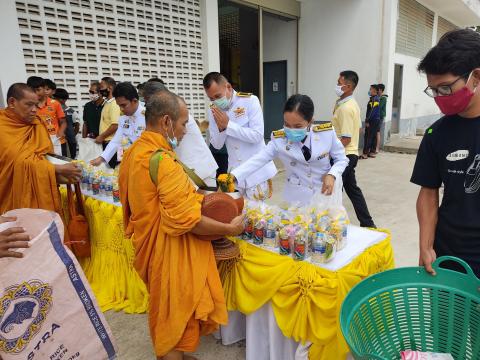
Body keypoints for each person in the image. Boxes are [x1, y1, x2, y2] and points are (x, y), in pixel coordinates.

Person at [119, 91, 244, 359]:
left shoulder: (133, 153)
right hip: (169, 253)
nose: (187, 129)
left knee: (169, 313)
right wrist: (229, 229)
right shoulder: (163, 162)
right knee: (174, 319)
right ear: (166, 122)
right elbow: (189, 221)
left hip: (150, 248)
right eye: (184, 123)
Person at [411, 28, 480, 277]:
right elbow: (429, 191)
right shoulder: (436, 134)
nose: (439, 97)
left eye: (446, 88)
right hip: (448, 253)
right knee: (447, 316)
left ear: (476, 77)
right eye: (434, 90)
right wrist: (427, 245)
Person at [231, 94, 348, 205]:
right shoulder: (279, 139)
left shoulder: (326, 133)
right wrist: (234, 176)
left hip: (325, 192)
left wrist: (332, 175)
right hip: (297, 198)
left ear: (310, 121)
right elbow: (259, 159)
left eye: (298, 126)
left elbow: (341, 159)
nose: (291, 130)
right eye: (287, 124)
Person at [0, 83, 81, 215]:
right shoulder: (2, 126)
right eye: (28, 104)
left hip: (41, 193)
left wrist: (59, 171)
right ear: (12, 102)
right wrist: (57, 169)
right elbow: (15, 163)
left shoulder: (37, 124)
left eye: (36, 105)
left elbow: (45, 156)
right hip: (12, 200)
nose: (34, 110)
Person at [204, 72, 277, 199]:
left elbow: (257, 135)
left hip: (256, 174)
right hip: (235, 175)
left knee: (258, 216)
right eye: (211, 99)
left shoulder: (250, 101)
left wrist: (228, 125)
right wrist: (221, 128)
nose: (215, 101)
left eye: (218, 96)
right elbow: (216, 144)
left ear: (228, 87)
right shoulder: (214, 110)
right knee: (238, 214)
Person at [143, 80, 218, 186]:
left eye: (147, 102)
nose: (148, 106)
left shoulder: (175, 113)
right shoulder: (168, 112)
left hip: (198, 170)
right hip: (192, 168)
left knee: (206, 201)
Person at [333, 71, 376, 228]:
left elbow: (346, 139)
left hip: (344, 156)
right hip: (350, 154)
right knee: (352, 190)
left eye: (339, 83)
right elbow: (358, 129)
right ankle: (368, 224)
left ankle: (333, 225)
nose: (336, 85)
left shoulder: (346, 108)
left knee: (332, 190)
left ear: (348, 86)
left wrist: (327, 150)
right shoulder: (348, 104)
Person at [90, 82, 144, 167]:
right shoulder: (123, 118)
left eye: (123, 105)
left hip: (145, 163)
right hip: (129, 162)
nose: (121, 109)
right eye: (119, 106)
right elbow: (116, 140)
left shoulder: (149, 116)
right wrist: (101, 158)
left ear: (134, 101)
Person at [27, 76, 67, 156]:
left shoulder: (55, 103)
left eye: (38, 90)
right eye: (33, 91)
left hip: (56, 140)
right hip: (39, 141)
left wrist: (61, 132)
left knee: (61, 165)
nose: (36, 93)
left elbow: (63, 122)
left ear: (44, 89)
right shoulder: (29, 105)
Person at [96, 76, 121, 168]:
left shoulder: (114, 104)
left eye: (101, 87)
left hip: (112, 143)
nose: (100, 90)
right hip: (108, 142)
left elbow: (115, 125)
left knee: (114, 169)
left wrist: (101, 136)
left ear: (109, 88)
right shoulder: (107, 103)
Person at [54, 88, 80, 159]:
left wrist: (72, 135)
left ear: (63, 99)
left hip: (70, 140)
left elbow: (77, 125)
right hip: (58, 140)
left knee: (72, 158)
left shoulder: (71, 112)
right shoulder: (53, 111)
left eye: (55, 98)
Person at [361, 84, 381, 159]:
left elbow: (372, 111)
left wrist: (367, 121)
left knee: (368, 136)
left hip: (372, 121)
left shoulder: (374, 99)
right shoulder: (376, 98)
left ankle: (365, 153)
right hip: (376, 120)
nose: (369, 91)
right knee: (373, 136)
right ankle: (372, 152)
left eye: (370, 89)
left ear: (374, 90)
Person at [374, 83, 388, 154]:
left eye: (377, 89)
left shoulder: (383, 98)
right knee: (375, 132)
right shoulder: (378, 97)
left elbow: (378, 107)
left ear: (380, 90)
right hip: (375, 117)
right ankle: (374, 147)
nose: (376, 91)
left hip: (379, 117)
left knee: (377, 132)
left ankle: (377, 148)